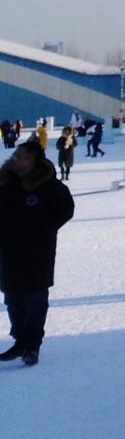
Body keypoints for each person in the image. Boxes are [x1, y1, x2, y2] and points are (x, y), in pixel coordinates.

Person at [0, 139, 75, 366]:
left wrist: (42, 229)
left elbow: (66, 210)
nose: (16, 160)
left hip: (37, 252)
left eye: (23, 157)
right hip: (8, 251)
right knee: (13, 298)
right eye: (16, 155)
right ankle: (20, 340)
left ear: (34, 162)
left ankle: (32, 345)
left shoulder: (49, 186)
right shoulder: (5, 182)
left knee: (35, 298)